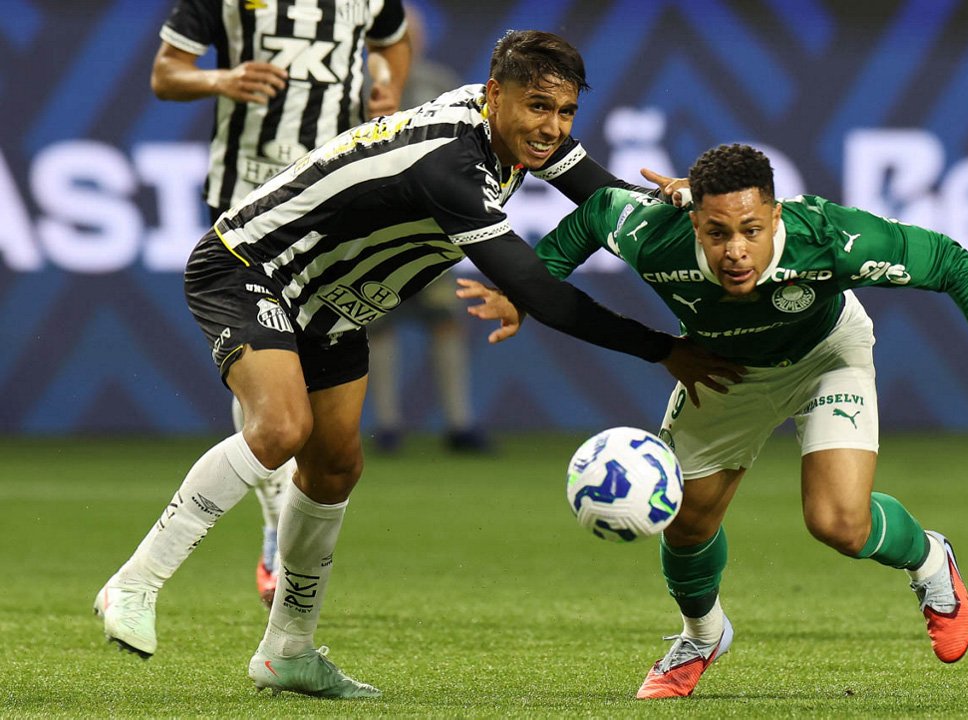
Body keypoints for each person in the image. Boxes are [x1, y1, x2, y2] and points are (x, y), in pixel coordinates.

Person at [93, 30, 743, 699]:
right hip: (251, 266)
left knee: (335, 467)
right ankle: (134, 585)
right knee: (281, 428)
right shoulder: (450, 163)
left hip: (334, 305)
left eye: (566, 111)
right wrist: (664, 350)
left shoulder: (515, 136)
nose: (552, 127)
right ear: (495, 95)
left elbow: (603, 197)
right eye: (539, 107)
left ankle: (287, 651)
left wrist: (689, 203)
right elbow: (539, 291)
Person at [457, 143, 968, 699]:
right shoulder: (653, 233)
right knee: (684, 522)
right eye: (717, 233)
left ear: (776, 216)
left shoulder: (830, 238)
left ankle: (930, 561)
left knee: (838, 523)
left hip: (826, 356)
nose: (735, 251)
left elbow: (951, 262)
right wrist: (526, 288)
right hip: (724, 370)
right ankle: (702, 634)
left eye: (751, 230)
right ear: (695, 223)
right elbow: (593, 215)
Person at [119, 0, 413, 610]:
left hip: (335, 201)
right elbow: (166, 73)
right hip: (246, 197)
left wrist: (389, 88)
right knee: (266, 359)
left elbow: (393, 41)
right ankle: (277, 512)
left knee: (306, 370)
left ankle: (282, 518)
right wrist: (221, 79)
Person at [365, 6, 491, 454]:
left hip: (430, 228)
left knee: (446, 321)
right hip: (374, 231)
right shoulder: (360, 88)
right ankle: (387, 426)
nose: (406, 43)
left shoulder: (440, 83)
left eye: (410, 36)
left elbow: (467, 147)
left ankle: (459, 423)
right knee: (376, 323)